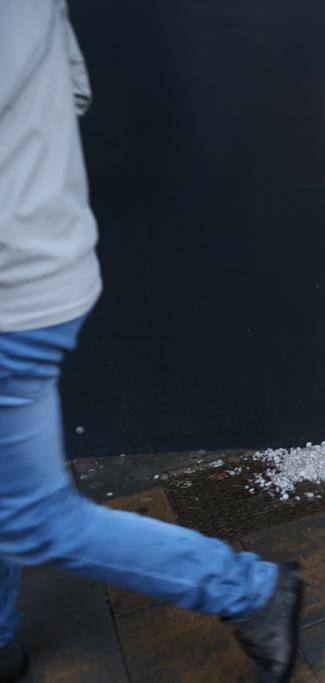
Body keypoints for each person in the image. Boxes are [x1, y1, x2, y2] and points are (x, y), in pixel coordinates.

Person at [0, 3, 302, 682]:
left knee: (33, 519)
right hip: (42, 260)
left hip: (10, 287)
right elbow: (71, 88)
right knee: (10, 500)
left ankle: (251, 590)